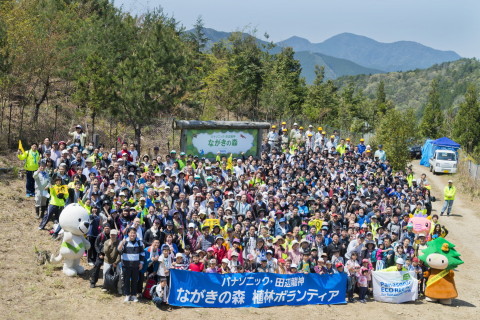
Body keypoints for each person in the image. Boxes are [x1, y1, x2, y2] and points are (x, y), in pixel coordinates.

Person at [118, 227, 145, 303]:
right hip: (126, 265)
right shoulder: (125, 241)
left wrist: (141, 263)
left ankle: (133, 295)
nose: (132, 234)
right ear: (128, 233)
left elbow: (142, 253)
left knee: (134, 280)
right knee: (126, 280)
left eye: (134, 233)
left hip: (136, 265)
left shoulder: (139, 242)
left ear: (136, 234)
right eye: (131, 233)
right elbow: (119, 250)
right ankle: (127, 295)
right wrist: (122, 243)